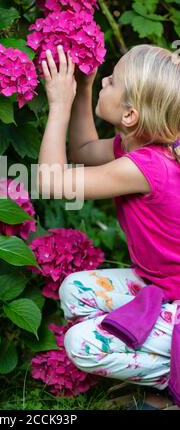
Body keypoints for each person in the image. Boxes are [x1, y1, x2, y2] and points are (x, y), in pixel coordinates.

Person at [37, 43, 180, 393]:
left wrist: (59, 105)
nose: (105, 82)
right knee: (75, 291)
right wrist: (84, 88)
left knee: (80, 345)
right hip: (165, 287)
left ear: (130, 115)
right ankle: (152, 352)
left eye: (111, 82)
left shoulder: (146, 167)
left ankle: (170, 376)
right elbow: (83, 151)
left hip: (172, 293)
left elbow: (51, 183)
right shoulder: (134, 149)